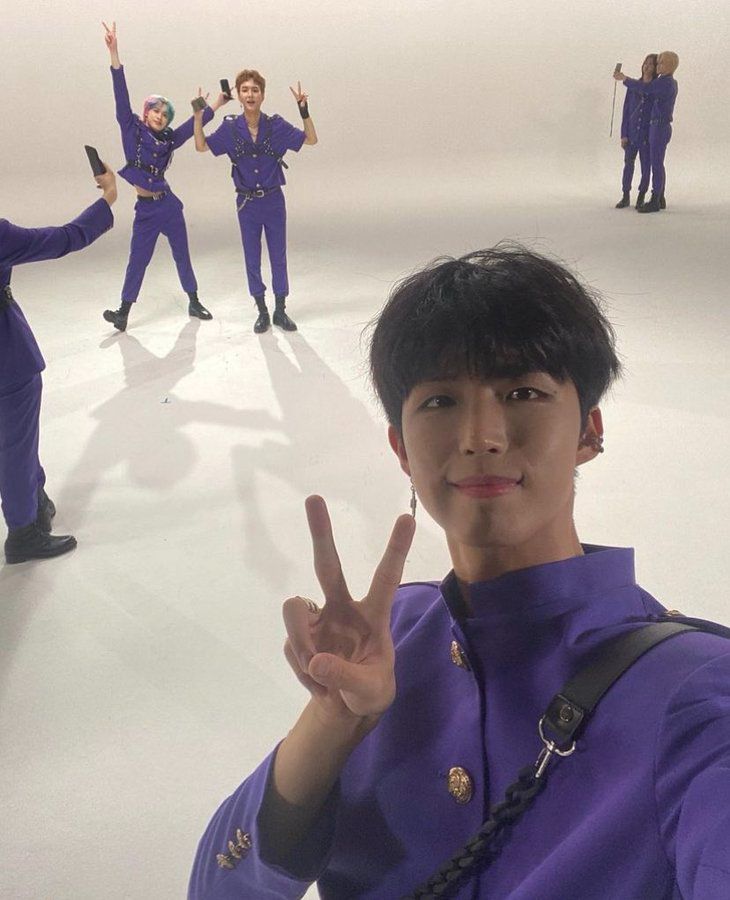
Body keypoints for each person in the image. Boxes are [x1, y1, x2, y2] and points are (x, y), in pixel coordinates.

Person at [188, 247, 730, 898]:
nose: (480, 435)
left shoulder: (695, 691)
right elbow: (219, 887)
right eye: (441, 401)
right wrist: (332, 721)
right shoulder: (389, 641)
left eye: (522, 391)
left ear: (589, 431)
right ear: (401, 449)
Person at [1, 167, 117, 563]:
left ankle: (34, 499)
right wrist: (107, 200)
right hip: (7, 360)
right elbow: (65, 238)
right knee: (15, 445)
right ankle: (23, 532)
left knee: (17, 439)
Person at [101, 21, 223, 332]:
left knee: (182, 254)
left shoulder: (168, 138)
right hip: (146, 209)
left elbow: (189, 127)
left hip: (168, 205)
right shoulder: (130, 128)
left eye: (165, 114)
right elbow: (120, 94)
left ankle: (193, 300)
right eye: (156, 110)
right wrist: (114, 53)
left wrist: (218, 102)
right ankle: (123, 312)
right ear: (145, 112)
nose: (160, 116)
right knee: (137, 260)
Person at [193, 69, 318, 334]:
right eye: (245, 90)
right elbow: (201, 146)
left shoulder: (275, 125)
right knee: (252, 256)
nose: (250, 94)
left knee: (278, 255)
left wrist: (304, 110)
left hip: (273, 201)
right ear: (238, 95)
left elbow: (311, 140)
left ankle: (280, 310)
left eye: (255, 90)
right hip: (246, 204)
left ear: (263, 95)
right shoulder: (230, 128)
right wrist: (199, 116)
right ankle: (261, 310)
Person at [614, 51, 679, 214]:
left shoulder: (665, 82)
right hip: (653, 127)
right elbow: (627, 110)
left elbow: (646, 88)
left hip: (658, 126)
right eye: (658, 63)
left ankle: (655, 198)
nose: (657, 66)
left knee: (654, 163)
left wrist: (625, 79)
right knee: (655, 163)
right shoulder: (665, 82)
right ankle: (659, 196)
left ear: (671, 65)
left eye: (661, 63)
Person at [615, 53, 657, 210]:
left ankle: (641, 196)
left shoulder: (654, 87)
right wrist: (623, 134)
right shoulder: (633, 86)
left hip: (647, 135)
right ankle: (625, 195)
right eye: (645, 63)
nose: (647, 66)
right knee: (628, 164)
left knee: (646, 166)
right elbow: (626, 110)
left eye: (651, 64)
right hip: (632, 134)